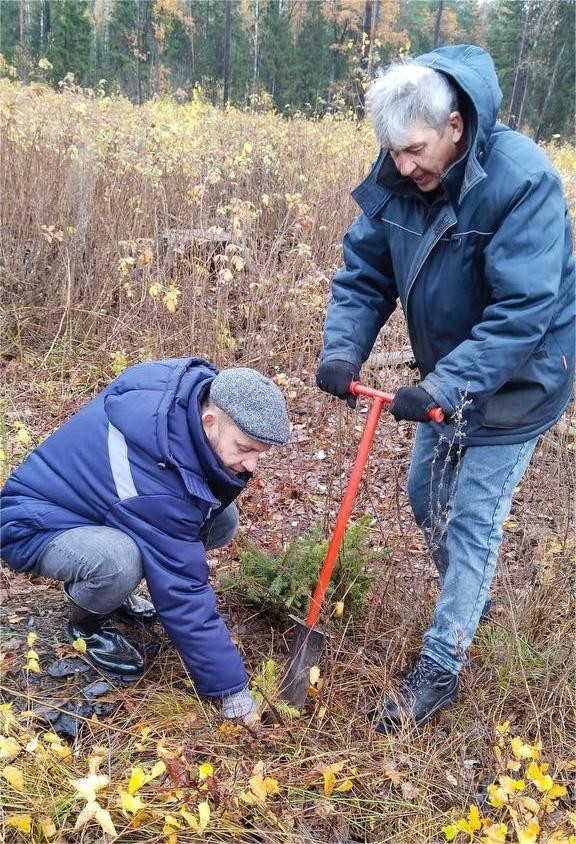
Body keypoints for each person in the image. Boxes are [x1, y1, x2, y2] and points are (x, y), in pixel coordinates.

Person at [315, 45, 575, 732]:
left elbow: (523, 313)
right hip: (448, 373)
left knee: (473, 517)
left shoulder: (523, 183)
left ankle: (441, 666)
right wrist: (343, 350)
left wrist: (444, 384)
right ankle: (471, 593)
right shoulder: (400, 177)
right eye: (393, 152)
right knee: (424, 494)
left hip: (521, 379)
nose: (403, 166)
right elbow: (365, 271)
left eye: (414, 150)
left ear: (455, 126)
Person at [1, 357, 290, 726]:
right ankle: (86, 627)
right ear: (210, 422)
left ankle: (111, 591)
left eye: (260, 455)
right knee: (121, 562)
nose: (251, 466)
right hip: (31, 522)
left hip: (89, 504)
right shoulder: (156, 481)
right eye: (244, 448)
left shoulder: (189, 398)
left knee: (222, 521)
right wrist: (232, 691)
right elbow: (183, 591)